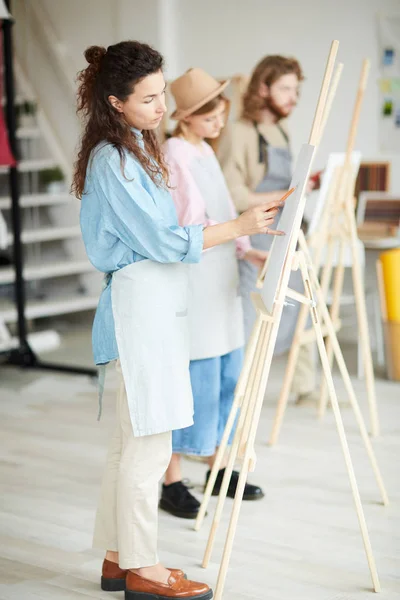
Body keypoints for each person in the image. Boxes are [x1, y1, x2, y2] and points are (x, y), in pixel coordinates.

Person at [74, 41, 284, 599]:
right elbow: (164, 240)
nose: (161, 106)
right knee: (149, 445)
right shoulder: (114, 159)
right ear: (115, 102)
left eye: (163, 92)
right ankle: (144, 568)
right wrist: (241, 227)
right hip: (140, 304)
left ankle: (119, 557)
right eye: (147, 98)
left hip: (153, 301)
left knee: (132, 443)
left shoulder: (135, 146)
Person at [160, 68, 277, 519]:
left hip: (224, 272)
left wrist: (248, 252)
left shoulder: (204, 149)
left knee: (228, 374)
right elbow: (188, 223)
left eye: (222, 116)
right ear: (187, 117)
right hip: (198, 275)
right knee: (195, 380)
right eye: (211, 118)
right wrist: (236, 234)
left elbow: (226, 211)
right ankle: (171, 481)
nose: (220, 125)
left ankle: (218, 467)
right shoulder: (175, 152)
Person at [218, 55, 316, 404]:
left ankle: (302, 385)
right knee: (249, 316)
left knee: (298, 308)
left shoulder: (281, 128)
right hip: (255, 234)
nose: (293, 97)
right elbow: (233, 194)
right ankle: (236, 397)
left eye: (296, 89)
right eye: (285, 88)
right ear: (263, 88)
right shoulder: (238, 132)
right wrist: (287, 193)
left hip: (285, 229)